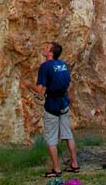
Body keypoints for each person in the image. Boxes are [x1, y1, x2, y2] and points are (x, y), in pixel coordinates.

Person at [25, 42, 79, 177]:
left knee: (51, 138)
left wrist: (28, 84)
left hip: (52, 105)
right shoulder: (64, 65)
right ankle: (74, 164)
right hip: (64, 103)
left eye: (47, 47)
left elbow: (39, 90)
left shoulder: (45, 67)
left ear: (50, 53)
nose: (44, 48)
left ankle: (56, 169)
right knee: (68, 134)